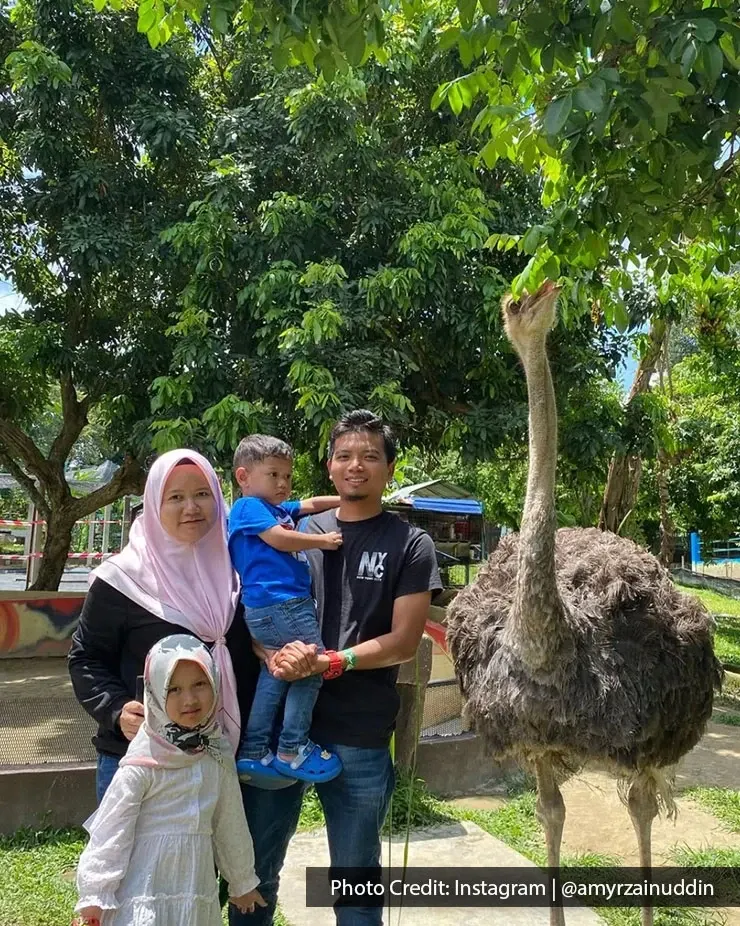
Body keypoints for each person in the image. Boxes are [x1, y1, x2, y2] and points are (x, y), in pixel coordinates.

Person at [231, 410, 442, 926]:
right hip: (282, 732)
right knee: (254, 875)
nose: (356, 466)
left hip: (358, 733)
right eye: (345, 455)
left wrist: (332, 661)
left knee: (355, 880)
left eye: (370, 456)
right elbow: (245, 603)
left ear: (390, 468)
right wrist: (267, 652)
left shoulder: (410, 545)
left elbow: (403, 641)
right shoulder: (290, 525)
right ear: (329, 467)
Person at [68, 448, 275, 803]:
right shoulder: (122, 580)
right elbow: (86, 658)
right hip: (144, 760)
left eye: (202, 494)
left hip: (234, 759)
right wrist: (117, 710)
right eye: (175, 497)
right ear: (153, 505)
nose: (191, 507)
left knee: (239, 858)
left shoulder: (242, 570)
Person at [72, 634, 266, 926]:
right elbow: (112, 831)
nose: (189, 699)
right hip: (143, 892)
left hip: (194, 887)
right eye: (173, 689)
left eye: (199, 684)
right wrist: (94, 895)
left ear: (215, 683)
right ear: (156, 693)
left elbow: (230, 821)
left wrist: (242, 881)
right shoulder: (142, 762)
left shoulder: (215, 751)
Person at [228, 434, 344, 783]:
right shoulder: (247, 508)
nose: (283, 483)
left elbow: (309, 504)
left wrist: (347, 497)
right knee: (312, 666)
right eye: (274, 475)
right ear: (243, 477)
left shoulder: (276, 508)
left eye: (288, 476)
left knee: (275, 673)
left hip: (266, 610)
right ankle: (292, 747)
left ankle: (253, 750)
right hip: (284, 605)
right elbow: (279, 538)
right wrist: (322, 541)